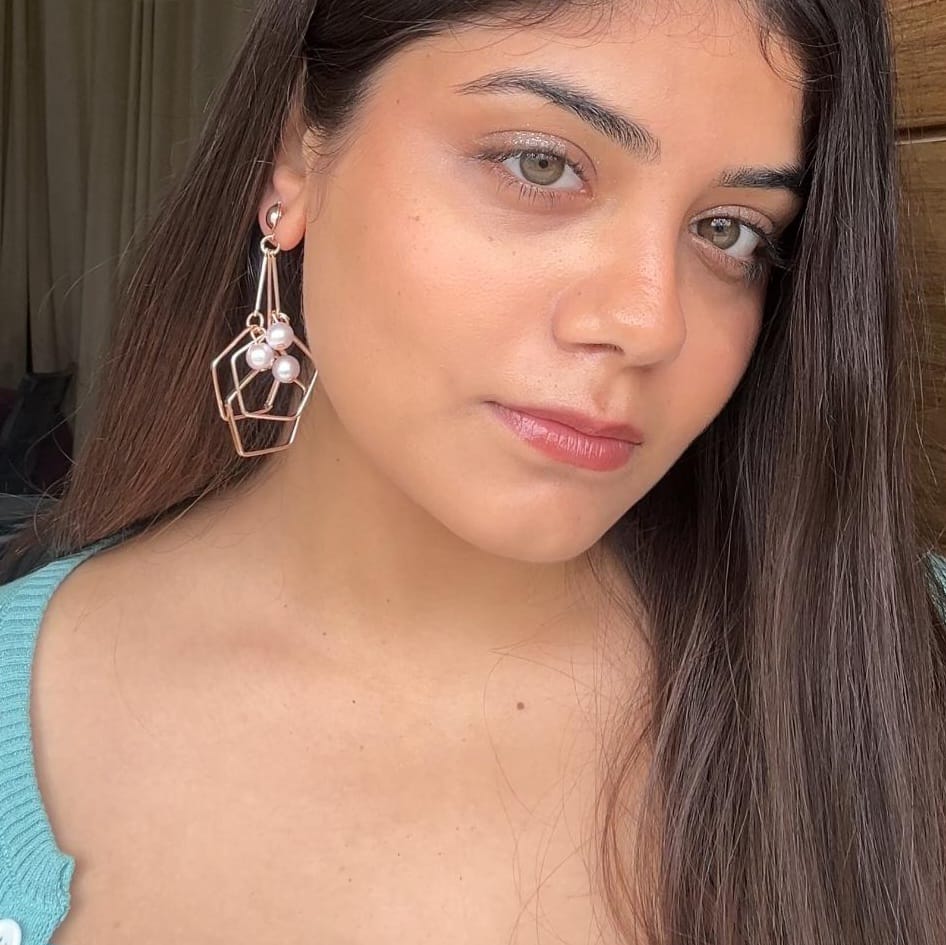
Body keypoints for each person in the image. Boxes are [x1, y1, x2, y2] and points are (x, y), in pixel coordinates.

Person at [1, 0, 944, 943]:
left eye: (730, 230)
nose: (651, 323)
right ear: (293, 156)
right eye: (542, 165)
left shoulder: (899, 661)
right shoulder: (34, 699)